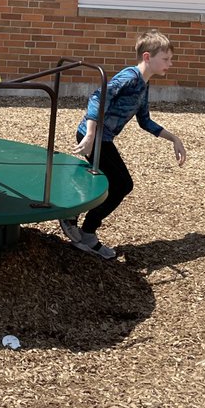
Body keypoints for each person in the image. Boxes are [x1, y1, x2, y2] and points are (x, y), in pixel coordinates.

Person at [61, 29, 186, 260]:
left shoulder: (144, 84)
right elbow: (98, 97)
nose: (170, 63)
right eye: (166, 59)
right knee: (121, 184)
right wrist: (90, 134)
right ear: (148, 57)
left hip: (103, 138)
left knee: (114, 182)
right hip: (93, 136)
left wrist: (174, 139)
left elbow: (144, 120)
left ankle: (77, 220)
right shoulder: (129, 77)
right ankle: (84, 229)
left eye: (171, 59)